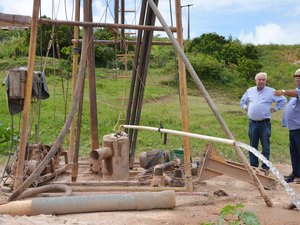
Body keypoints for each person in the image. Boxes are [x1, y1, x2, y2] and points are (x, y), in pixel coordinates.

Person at [240, 72, 287, 173]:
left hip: (264, 123)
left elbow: (283, 100)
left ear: (266, 81)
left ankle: (265, 167)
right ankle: (253, 166)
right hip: (252, 123)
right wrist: (246, 108)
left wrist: (274, 109)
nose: (261, 81)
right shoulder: (250, 90)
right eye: (259, 79)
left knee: (265, 145)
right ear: (255, 80)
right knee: (252, 145)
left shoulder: (271, 91)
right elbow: (242, 101)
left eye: (263, 80)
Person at [274, 69, 300, 184]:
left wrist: (283, 91)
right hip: (293, 128)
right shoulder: (296, 92)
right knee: (293, 151)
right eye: (296, 76)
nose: (297, 78)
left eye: (299, 76)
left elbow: (295, 93)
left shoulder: (295, 92)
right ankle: (296, 173)